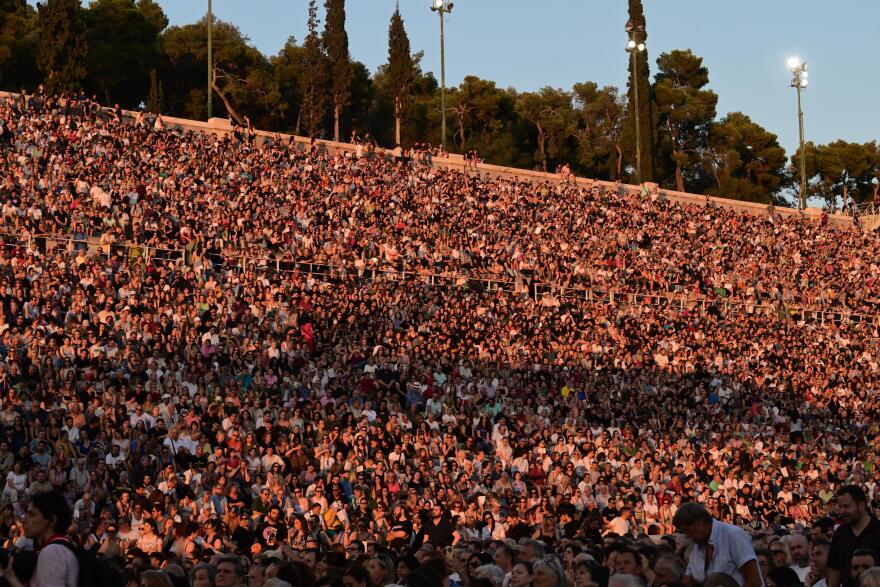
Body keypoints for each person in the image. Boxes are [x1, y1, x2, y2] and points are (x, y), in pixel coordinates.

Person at [673, 502, 762, 587]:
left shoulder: (733, 535)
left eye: (687, 530)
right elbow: (688, 581)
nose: (687, 536)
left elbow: (754, 581)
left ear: (701, 522)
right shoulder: (696, 547)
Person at [1, 490, 78, 587]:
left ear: (52, 520)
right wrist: (11, 578)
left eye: (32, 514)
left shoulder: (52, 552)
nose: (24, 519)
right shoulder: (61, 547)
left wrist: (12, 580)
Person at [828, 487, 880, 587]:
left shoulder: (878, 530)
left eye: (846, 506)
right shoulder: (840, 533)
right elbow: (834, 571)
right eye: (840, 507)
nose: (842, 511)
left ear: (861, 505)